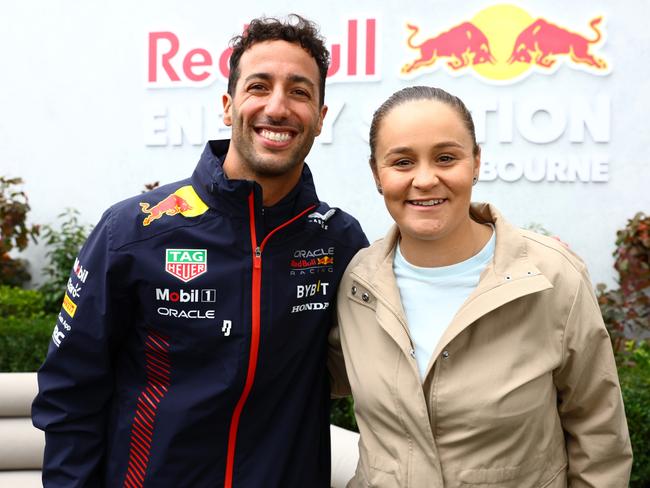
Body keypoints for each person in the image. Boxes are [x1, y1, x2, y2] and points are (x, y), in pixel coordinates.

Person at [32, 15, 367, 488]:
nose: (278, 106)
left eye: (299, 91)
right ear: (228, 106)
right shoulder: (132, 231)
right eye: (259, 86)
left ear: (320, 116)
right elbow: (70, 394)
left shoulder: (338, 242)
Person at [330, 86, 632, 487]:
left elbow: (599, 435)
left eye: (446, 158)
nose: (424, 179)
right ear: (376, 174)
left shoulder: (552, 277)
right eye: (402, 162)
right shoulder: (358, 284)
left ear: (476, 162)